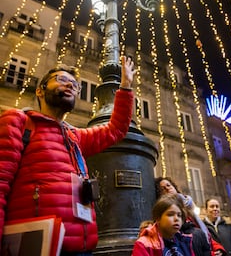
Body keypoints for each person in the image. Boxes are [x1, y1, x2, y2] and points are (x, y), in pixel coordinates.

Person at [0, 56, 136, 255]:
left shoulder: (75, 137)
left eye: (75, 85)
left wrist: (125, 87)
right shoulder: (19, 121)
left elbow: (116, 130)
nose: (70, 86)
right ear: (40, 90)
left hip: (81, 248)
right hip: (36, 246)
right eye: (62, 80)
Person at [155, 177, 225, 256]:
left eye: (168, 185)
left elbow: (204, 234)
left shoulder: (189, 208)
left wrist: (217, 248)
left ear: (174, 187)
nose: (167, 188)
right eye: (163, 189)